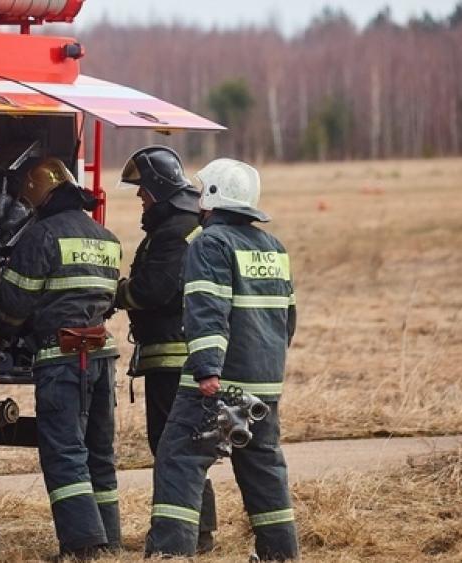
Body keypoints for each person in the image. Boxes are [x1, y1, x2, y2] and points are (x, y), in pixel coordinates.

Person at [145, 158, 299, 561]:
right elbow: (287, 318)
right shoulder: (273, 247)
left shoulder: (209, 243)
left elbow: (207, 309)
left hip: (220, 385)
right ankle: (281, 554)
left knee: (179, 459)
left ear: (213, 196)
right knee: (263, 467)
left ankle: (170, 553)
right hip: (264, 383)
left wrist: (207, 369)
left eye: (202, 190)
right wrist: (266, 367)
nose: (198, 197)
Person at [0, 157, 121, 559]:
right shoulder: (106, 237)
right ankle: (109, 538)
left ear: (38, 196)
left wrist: (2, 332)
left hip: (63, 356)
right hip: (102, 354)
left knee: (65, 452)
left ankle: (83, 545)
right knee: (99, 451)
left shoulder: (42, 235)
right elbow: (109, 299)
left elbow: (15, 302)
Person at [113, 146, 217, 551]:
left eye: (143, 189)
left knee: (174, 446)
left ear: (157, 189)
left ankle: (185, 536)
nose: (140, 197)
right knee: (185, 443)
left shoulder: (174, 231)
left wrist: (116, 293)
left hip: (173, 357)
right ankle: (197, 530)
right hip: (182, 354)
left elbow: (153, 290)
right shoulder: (187, 223)